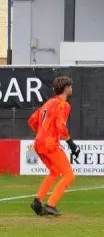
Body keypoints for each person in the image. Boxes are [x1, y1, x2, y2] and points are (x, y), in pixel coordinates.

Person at [27, 76, 80, 216]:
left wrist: (42, 132)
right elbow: (60, 126)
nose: (72, 89)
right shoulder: (64, 105)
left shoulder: (48, 103)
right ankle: (50, 205)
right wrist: (71, 143)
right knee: (69, 175)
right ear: (67, 88)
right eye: (71, 86)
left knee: (54, 172)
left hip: (38, 143)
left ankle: (37, 201)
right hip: (50, 144)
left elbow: (32, 121)